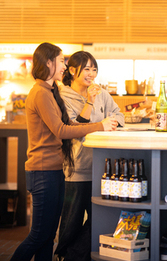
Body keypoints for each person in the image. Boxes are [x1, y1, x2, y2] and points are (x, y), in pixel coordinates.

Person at [10, 43, 118, 261]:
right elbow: (61, 130)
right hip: (42, 171)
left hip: (54, 170)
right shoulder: (40, 93)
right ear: (48, 62)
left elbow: (71, 124)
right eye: (61, 61)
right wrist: (100, 125)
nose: (64, 66)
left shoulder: (50, 92)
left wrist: (101, 124)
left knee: (48, 237)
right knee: (39, 235)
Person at [55, 51, 125, 261]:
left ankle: (73, 256)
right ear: (73, 70)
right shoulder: (62, 97)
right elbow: (74, 128)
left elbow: (119, 114)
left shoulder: (102, 93)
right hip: (77, 168)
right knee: (71, 222)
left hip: (101, 168)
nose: (91, 74)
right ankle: (62, 254)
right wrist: (90, 102)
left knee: (101, 219)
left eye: (94, 69)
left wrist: (111, 122)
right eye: (87, 69)